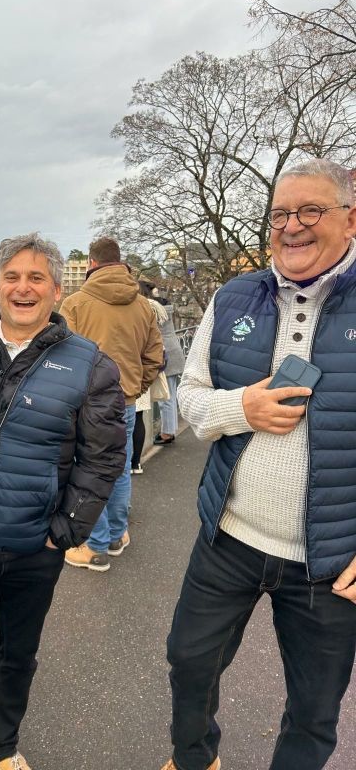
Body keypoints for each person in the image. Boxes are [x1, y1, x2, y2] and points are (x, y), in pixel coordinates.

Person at [160, 159, 356, 770]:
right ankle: (195, 759)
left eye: (310, 210)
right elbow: (191, 398)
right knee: (189, 662)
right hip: (229, 536)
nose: (291, 226)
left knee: (314, 710)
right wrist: (240, 407)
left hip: (331, 559)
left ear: (351, 219)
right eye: (279, 215)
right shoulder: (233, 297)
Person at [0, 234, 126, 770]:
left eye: (37, 278)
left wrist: (68, 528)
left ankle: (1, 746)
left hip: (35, 546)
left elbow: (104, 455)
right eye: (12, 277)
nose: (23, 288)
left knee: (17, 656)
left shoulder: (90, 364)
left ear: (57, 290)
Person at [59, 237, 163, 570]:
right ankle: (117, 535)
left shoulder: (75, 304)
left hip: (86, 404)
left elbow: (62, 358)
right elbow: (154, 357)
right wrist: (133, 388)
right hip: (125, 401)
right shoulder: (143, 306)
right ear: (121, 263)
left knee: (87, 471)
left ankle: (95, 545)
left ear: (91, 263)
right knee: (118, 469)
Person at [131, 281, 169, 473]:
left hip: (129, 368)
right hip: (143, 369)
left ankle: (126, 462)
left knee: (124, 419)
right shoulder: (153, 309)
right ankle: (136, 462)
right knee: (138, 418)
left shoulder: (135, 310)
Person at [152, 289, 185, 446]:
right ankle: (170, 429)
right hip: (173, 352)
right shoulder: (166, 309)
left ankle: (167, 433)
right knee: (169, 395)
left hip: (165, 355)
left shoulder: (155, 311)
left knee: (165, 398)